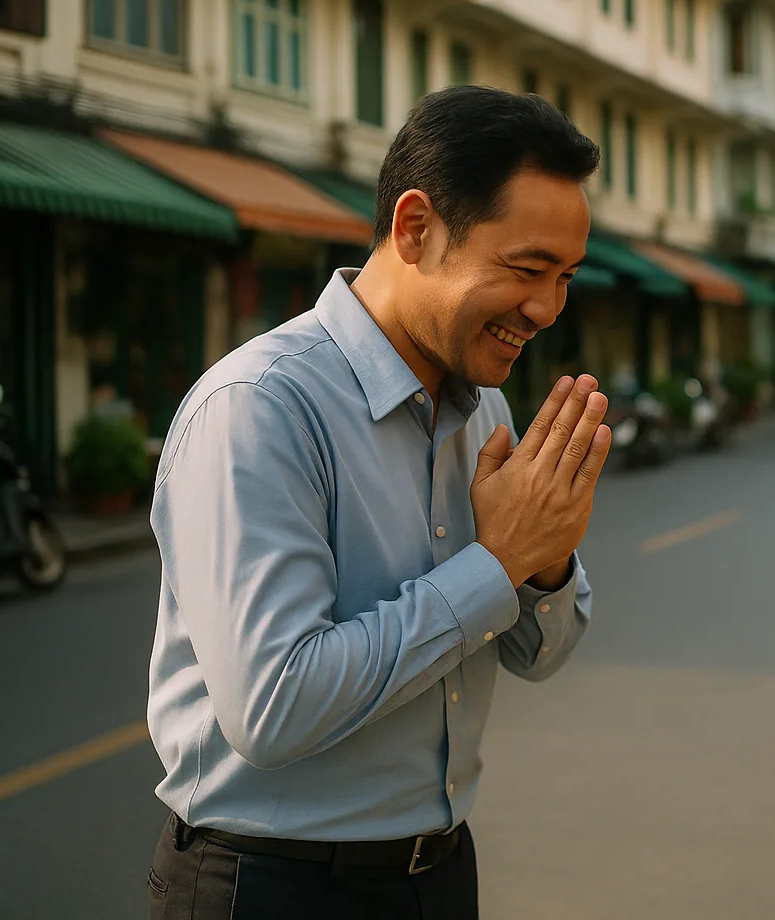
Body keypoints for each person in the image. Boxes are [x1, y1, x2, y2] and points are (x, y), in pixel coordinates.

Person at [145, 87, 606, 919]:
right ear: (415, 227)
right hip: (269, 885)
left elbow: (540, 655)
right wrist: (494, 565)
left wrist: (546, 562)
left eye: (565, 277)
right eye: (527, 268)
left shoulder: (484, 410)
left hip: (438, 873)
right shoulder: (262, 407)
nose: (547, 308)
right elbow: (274, 708)